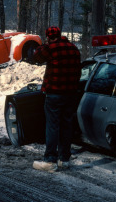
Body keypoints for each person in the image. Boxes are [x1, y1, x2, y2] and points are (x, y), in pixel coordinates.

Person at [32, 26, 81, 172]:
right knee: (67, 126)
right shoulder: (74, 48)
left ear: (48, 37)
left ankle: (50, 160)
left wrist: (45, 44)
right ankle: (64, 159)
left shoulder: (50, 48)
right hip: (71, 94)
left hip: (54, 94)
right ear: (60, 35)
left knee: (53, 126)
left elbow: (36, 56)